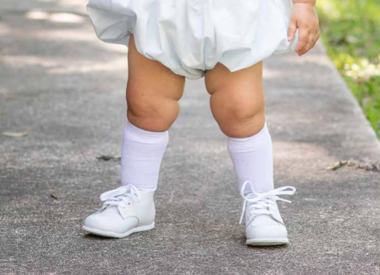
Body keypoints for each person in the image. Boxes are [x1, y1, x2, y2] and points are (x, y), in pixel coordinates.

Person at [82, 0, 320, 246]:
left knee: (241, 110)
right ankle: (136, 196)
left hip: (235, 16)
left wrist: (304, 4)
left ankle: (260, 201)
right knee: (146, 106)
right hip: (162, 12)